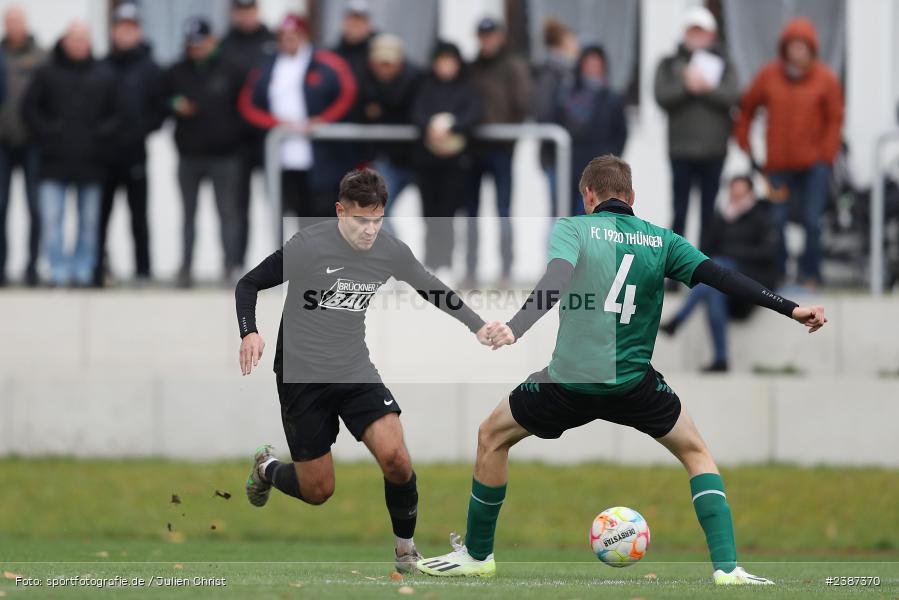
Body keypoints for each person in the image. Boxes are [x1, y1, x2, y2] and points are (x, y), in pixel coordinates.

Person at [416, 154, 827, 585]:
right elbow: (721, 277)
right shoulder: (663, 241)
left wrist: (516, 327)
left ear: (588, 195)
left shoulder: (573, 228)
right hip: (634, 386)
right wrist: (791, 308)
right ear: (631, 197)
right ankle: (727, 569)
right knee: (696, 454)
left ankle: (478, 556)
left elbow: (555, 280)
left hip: (567, 383)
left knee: (491, 436)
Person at [234, 168, 495, 573]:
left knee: (396, 458)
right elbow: (248, 284)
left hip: (354, 368)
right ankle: (267, 468)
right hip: (301, 376)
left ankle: (405, 552)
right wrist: (249, 332)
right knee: (318, 490)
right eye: (360, 220)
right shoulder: (309, 245)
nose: (370, 230)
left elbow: (430, 287)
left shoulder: (389, 250)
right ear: (340, 211)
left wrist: (477, 325)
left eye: (377, 220)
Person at [734, 17, 843, 287]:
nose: (797, 50)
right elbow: (746, 108)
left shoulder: (825, 79)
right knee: (776, 220)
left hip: (814, 167)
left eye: (802, 45)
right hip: (778, 167)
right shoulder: (768, 76)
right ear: (785, 48)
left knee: (812, 221)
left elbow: (835, 119)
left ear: (811, 48)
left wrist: (826, 155)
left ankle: (811, 274)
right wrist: (745, 143)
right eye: (793, 45)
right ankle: (779, 273)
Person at [22, 21, 119, 287]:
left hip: (92, 162)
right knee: (52, 219)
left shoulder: (104, 74)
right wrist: (50, 133)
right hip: (54, 161)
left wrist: (99, 136)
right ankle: (58, 271)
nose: (78, 44)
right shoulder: (47, 73)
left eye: (83, 39)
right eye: (74, 39)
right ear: (65, 41)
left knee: (89, 222)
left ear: (90, 42)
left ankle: (83, 271)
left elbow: (118, 113)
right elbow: (30, 109)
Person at [239, 13, 356, 221]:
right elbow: (247, 104)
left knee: (322, 214)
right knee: (290, 213)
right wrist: (276, 124)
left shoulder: (326, 62)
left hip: (321, 155)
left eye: (293, 35)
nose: (288, 41)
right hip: (282, 155)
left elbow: (348, 93)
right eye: (283, 36)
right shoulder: (266, 66)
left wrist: (324, 120)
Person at [660, 175, 779, 372]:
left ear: (750, 193)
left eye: (741, 193)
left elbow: (768, 254)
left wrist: (731, 255)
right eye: (733, 192)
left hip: (750, 283)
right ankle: (721, 359)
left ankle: (678, 320)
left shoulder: (762, 218)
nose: (736, 197)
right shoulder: (720, 219)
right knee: (714, 287)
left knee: (719, 268)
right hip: (724, 285)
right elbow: (705, 252)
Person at [165, 17, 246, 287]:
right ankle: (186, 268)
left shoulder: (231, 70)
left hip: (225, 155)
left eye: (200, 43)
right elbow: (161, 98)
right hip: (189, 155)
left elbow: (245, 108)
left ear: (212, 41)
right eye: (192, 44)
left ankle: (231, 266)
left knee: (228, 213)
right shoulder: (177, 71)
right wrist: (174, 103)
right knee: (188, 214)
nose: (196, 49)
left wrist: (233, 136)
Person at [654, 6, 739, 252]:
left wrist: (705, 86)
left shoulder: (725, 64)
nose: (696, 37)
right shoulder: (669, 64)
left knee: (708, 212)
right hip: (680, 150)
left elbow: (731, 96)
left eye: (701, 32)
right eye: (692, 31)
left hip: (714, 150)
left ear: (711, 34)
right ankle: (673, 263)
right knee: (679, 211)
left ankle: (704, 264)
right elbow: (661, 96)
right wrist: (686, 86)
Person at [95, 3, 165, 287]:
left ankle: (143, 271)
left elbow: (159, 110)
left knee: (139, 216)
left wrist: (138, 130)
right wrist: (104, 132)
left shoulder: (150, 69)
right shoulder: (101, 66)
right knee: (100, 216)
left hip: (135, 152)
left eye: (131, 28)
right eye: (121, 28)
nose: (125, 34)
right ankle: (98, 269)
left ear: (138, 31)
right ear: (113, 31)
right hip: (104, 155)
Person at [465, 17, 533, 287]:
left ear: (500, 36)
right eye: (483, 35)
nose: (487, 40)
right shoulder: (472, 67)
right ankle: (470, 271)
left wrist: (509, 136)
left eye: (491, 35)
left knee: (503, 210)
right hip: (473, 149)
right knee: (471, 213)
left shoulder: (513, 66)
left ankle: (505, 271)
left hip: (501, 149)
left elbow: (523, 103)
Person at [411, 41, 482, 277]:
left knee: (448, 213)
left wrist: (452, 127)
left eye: (450, 61)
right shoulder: (425, 87)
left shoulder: (467, 88)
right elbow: (417, 113)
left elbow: (474, 114)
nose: (445, 66)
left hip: (455, 163)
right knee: (428, 214)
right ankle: (430, 263)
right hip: (427, 161)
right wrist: (430, 127)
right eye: (441, 61)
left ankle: (446, 263)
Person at [220, 0, 276, 270]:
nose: (246, 16)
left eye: (249, 10)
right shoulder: (224, 45)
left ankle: (283, 263)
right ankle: (235, 264)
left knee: (278, 203)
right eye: (240, 11)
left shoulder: (273, 42)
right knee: (236, 206)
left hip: (271, 138)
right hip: (237, 140)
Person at [0, 5, 45, 287]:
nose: (14, 26)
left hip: (32, 145)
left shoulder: (41, 57)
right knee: (0, 207)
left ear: (25, 24)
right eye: (9, 21)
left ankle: (32, 268)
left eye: (18, 21)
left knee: (35, 208)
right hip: (2, 145)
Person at [556, 44, 627, 216]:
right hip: (571, 165)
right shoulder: (567, 95)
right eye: (589, 63)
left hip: (599, 169)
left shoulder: (612, 98)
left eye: (597, 64)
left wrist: (610, 159)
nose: (593, 68)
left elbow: (621, 132)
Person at [359, 33, 422, 217]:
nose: (384, 69)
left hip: (418, 157)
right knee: (376, 213)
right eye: (380, 63)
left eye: (388, 63)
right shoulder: (364, 80)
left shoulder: (417, 80)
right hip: (386, 159)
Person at [532, 18, 578, 217]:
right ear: (563, 41)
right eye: (573, 39)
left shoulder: (568, 72)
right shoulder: (551, 73)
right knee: (560, 215)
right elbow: (543, 113)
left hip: (569, 155)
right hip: (556, 155)